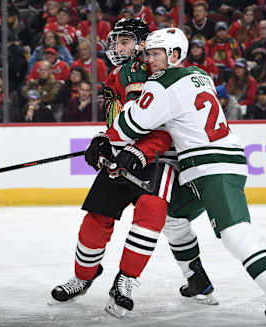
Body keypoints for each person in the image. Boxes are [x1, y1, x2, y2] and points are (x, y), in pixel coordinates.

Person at [111, 27, 266, 325]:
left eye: (156, 53)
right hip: (201, 167)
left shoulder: (162, 84)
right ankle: (197, 280)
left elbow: (130, 127)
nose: (149, 59)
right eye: (148, 52)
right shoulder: (199, 74)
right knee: (173, 217)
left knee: (234, 231)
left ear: (175, 55)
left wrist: (108, 133)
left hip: (213, 166)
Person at [49, 18, 178, 319]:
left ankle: (126, 280)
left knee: (150, 216)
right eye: (116, 41)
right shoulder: (116, 76)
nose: (117, 48)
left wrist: (141, 150)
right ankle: (84, 276)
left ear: (143, 44)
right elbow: (119, 121)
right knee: (97, 217)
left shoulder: (161, 74)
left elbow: (170, 123)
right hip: (121, 157)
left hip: (161, 159)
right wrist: (104, 139)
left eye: (124, 41)